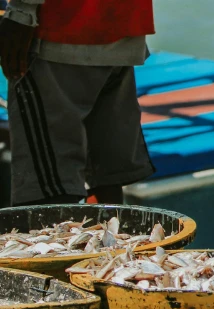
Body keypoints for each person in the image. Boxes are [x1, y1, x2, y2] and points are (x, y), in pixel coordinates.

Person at [0, 0, 155, 206]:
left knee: (48, 187)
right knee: (107, 179)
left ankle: (57, 235)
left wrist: (22, 11)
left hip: (59, 30)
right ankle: (107, 234)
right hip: (123, 26)